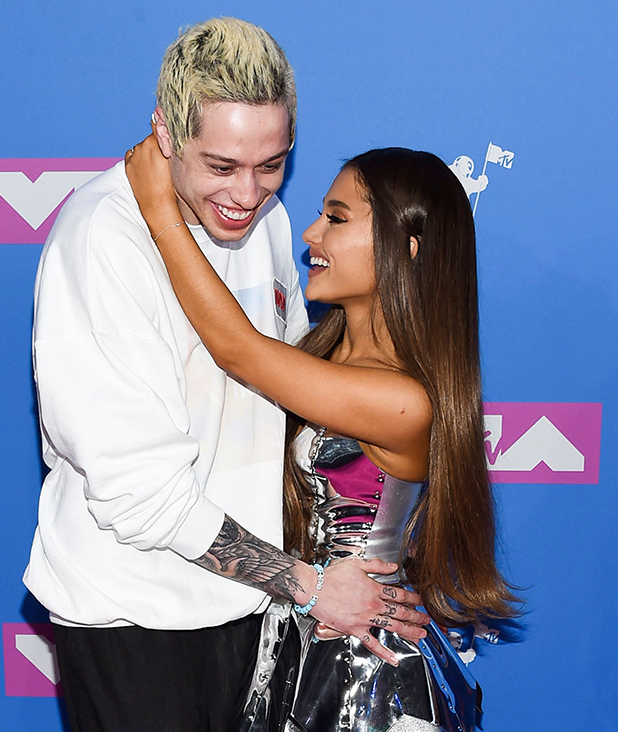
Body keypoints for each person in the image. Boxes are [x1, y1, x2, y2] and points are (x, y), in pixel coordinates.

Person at [23, 18, 430, 732]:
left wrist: (371, 567)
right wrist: (308, 586)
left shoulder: (264, 219)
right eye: (221, 166)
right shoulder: (101, 242)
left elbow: (280, 382)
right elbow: (141, 494)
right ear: (166, 134)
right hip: (140, 624)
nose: (248, 193)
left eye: (272, 164)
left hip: (256, 618)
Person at [126, 139, 521, 731]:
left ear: (407, 248)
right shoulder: (321, 355)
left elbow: (238, 351)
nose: (311, 233)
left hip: (368, 666)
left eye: (336, 219)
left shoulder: (404, 400)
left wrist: (159, 209)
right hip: (300, 640)